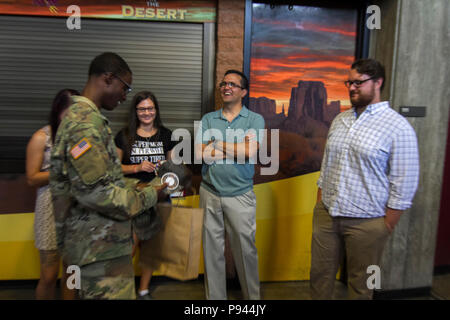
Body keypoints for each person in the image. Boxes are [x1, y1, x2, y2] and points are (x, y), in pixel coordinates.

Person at [49, 52, 167, 300]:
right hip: (100, 252)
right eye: (125, 88)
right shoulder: (85, 125)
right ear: (108, 78)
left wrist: (134, 184)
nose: (125, 96)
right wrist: (150, 194)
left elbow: (99, 181)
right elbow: (99, 194)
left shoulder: (85, 119)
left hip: (97, 246)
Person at [310, 58, 420, 300]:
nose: (351, 88)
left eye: (358, 83)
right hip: (327, 215)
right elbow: (327, 164)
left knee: (361, 286)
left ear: (378, 82)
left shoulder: (398, 127)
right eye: (349, 82)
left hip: (367, 223)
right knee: (319, 277)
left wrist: (386, 224)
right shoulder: (341, 120)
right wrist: (320, 201)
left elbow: (406, 180)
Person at [195, 70, 265, 300]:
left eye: (233, 84)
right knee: (212, 252)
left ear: (243, 92)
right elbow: (200, 155)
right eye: (224, 83)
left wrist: (216, 142)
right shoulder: (208, 119)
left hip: (240, 195)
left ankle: (252, 301)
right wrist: (236, 146)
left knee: (245, 252)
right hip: (209, 192)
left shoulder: (254, 120)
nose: (226, 87)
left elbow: (249, 152)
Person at [114, 90, 176, 300]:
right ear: (135, 111)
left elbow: (174, 167)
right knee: (128, 246)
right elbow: (113, 169)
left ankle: (143, 290)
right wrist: (136, 167)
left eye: (150, 108)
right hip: (132, 197)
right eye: (142, 109)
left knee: (151, 247)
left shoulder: (166, 135)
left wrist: (169, 173)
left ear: (156, 110)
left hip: (158, 197)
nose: (146, 112)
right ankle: (119, 290)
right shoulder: (124, 135)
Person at [26, 88, 79, 300]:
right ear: (59, 110)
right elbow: (32, 178)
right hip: (49, 208)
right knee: (48, 275)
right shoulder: (42, 137)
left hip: (77, 209)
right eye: (71, 111)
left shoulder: (82, 138)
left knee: (73, 272)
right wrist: (62, 171)